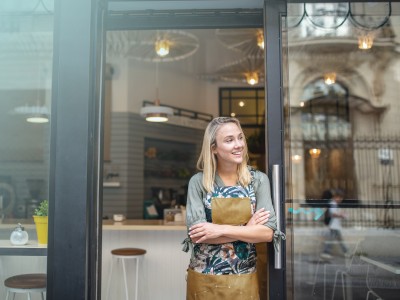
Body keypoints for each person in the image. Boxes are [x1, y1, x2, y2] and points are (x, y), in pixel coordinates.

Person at [182, 117, 285, 300]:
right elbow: (198, 236)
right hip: (204, 278)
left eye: (240, 137)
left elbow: (268, 233)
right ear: (213, 148)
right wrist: (247, 229)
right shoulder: (199, 183)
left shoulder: (258, 180)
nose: (238, 145)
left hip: (244, 277)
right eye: (229, 140)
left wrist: (218, 230)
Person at [320, 188, 348, 260]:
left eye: (341, 198)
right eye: (340, 197)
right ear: (335, 197)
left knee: (336, 239)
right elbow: (333, 214)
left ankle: (346, 252)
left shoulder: (334, 203)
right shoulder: (332, 203)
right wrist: (341, 215)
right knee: (333, 240)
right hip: (333, 225)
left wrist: (341, 214)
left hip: (335, 225)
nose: (341, 199)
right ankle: (326, 252)